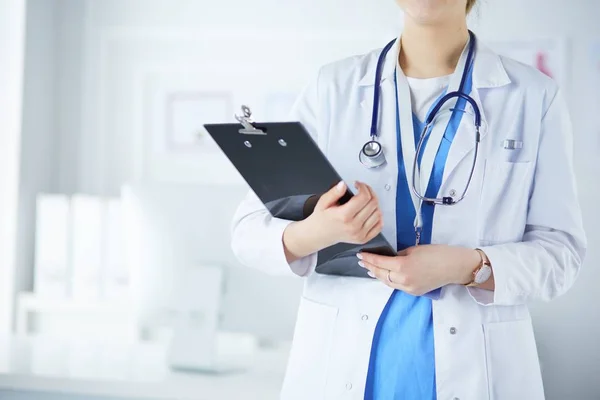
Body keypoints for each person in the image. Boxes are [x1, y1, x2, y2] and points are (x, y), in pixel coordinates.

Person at [230, 0, 587, 399]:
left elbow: (561, 252)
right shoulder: (333, 87)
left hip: (475, 370)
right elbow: (248, 232)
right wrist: (315, 232)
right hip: (342, 369)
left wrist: (470, 265)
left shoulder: (532, 97)